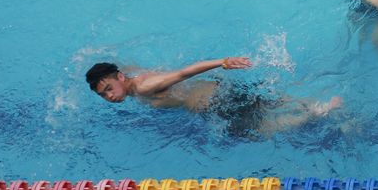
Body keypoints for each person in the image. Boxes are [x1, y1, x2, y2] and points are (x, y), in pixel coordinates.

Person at [84, 58, 341, 138]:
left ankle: (313, 113)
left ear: (119, 77)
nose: (110, 96)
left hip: (217, 104)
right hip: (218, 93)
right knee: (268, 101)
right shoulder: (133, 78)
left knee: (258, 131)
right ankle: (315, 104)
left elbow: (184, 72)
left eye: (108, 88)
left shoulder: (143, 87)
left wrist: (223, 62)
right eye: (103, 95)